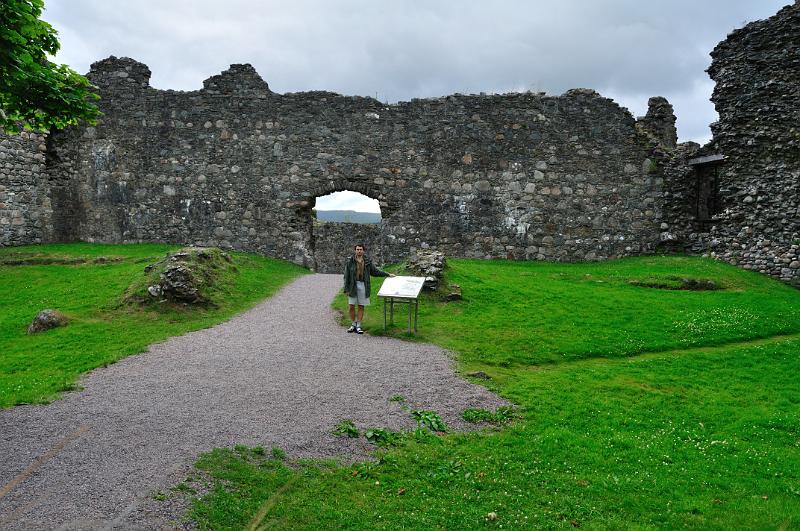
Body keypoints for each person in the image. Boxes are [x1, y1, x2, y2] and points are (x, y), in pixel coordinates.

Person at [343, 243, 394, 334]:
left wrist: (387, 274)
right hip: (352, 286)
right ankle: (353, 324)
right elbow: (346, 276)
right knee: (351, 306)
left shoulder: (367, 261)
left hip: (363, 285)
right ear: (355, 250)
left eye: (360, 249)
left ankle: (358, 326)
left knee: (361, 305)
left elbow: (375, 272)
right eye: (357, 249)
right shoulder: (350, 261)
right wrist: (346, 289)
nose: (359, 251)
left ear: (363, 251)